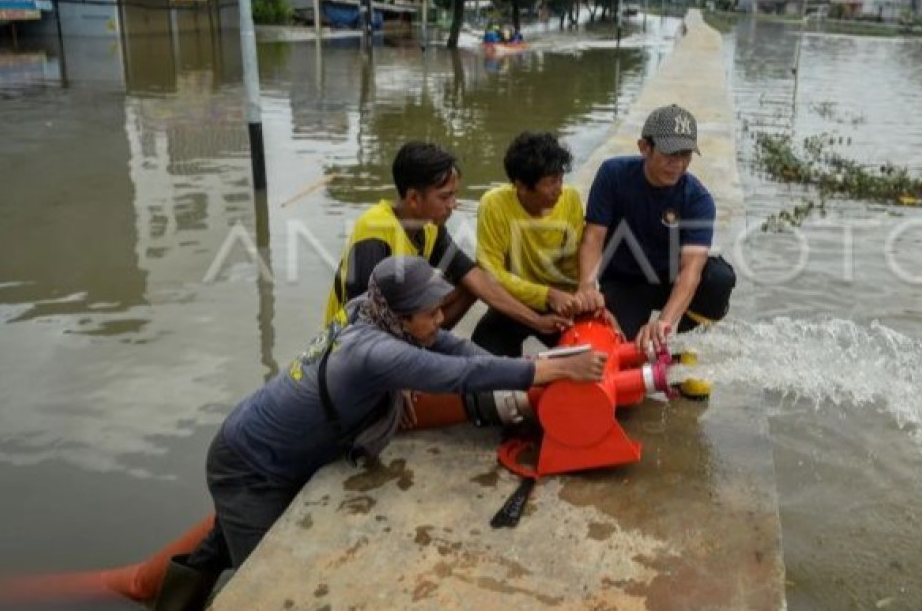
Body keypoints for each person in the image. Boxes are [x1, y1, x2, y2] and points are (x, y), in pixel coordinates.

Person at [154, 256, 606, 610]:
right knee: (266, 579)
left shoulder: (369, 310)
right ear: (401, 318)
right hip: (251, 466)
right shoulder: (371, 352)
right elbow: (458, 376)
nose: (439, 320)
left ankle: (169, 602)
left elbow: (459, 351)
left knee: (213, 552)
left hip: (264, 444)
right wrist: (550, 369)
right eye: (430, 313)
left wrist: (529, 370)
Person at [324, 142, 568, 338]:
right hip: (351, 342)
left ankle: (429, 345)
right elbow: (363, 316)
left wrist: (538, 322)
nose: (454, 204)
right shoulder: (374, 231)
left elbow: (476, 279)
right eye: (445, 197)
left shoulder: (430, 228)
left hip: (402, 323)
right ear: (413, 199)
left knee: (470, 284)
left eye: (455, 195)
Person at [575, 104, 736, 353]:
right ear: (644, 148)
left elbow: (691, 269)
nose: (678, 164)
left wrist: (664, 323)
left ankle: (685, 351)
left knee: (718, 278)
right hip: (625, 280)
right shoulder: (613, 175)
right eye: (670, 155)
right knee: (621, 350)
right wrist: (587, 287)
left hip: (668, 278)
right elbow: (593, 237)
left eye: (686, 155)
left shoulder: (697, 198)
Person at [471, 132, 604, 356]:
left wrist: (584, 294)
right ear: (521, 186)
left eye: (561, 179)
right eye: (551, 183)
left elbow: (576, 261)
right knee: (482, 354)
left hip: (562, 305)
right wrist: (546, 295)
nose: (559, 189)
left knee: (593, 355)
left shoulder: (569, 199)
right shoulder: (493, 204)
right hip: (515, 304)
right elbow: (490, 273)